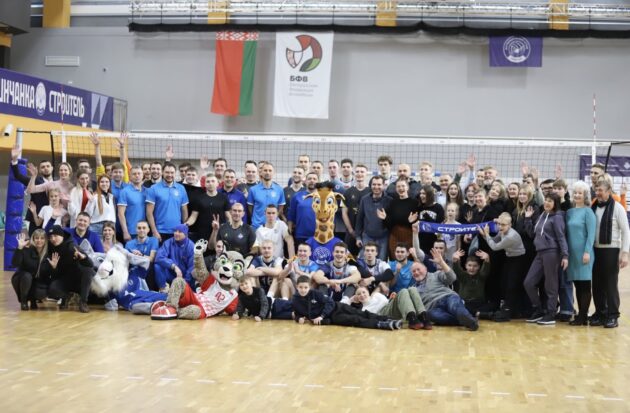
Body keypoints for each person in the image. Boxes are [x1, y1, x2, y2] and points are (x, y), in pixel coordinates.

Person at [291, 275, 402, 330]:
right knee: (354, 319)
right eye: (300, 287)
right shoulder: (295, 299)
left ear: (309, 287)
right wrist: (298, 318)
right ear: (297, 287)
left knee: (360, 313)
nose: (303, 290)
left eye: (305, 287)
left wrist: (321, 316)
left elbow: (330, 302)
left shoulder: (316, 293)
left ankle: (386, 319)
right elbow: (297, 312)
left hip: (336, 307)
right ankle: (381, 325)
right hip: (333, 317)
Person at [523, 193, 569, 326]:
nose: (547, 203)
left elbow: (561, 237)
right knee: (528, 282)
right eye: (546, 200)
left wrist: (565, 255)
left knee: (550, 284)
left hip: (552, 252)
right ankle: (538, 309)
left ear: (555, 203)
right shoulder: (542, 215)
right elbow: (532, 234)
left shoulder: (558, 217)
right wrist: (527, 219)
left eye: (550, 201)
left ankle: (551, 313)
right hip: (539, 252)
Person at [589, 180, 630, 328]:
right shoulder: (593, 207)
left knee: (610, 284)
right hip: (595, 249)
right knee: (597, 284)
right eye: (596, 190)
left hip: (611, 250)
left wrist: (625, 253)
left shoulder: (618, 208)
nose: (598, 193)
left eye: (601, 190)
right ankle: (600, 313)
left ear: (609, 191)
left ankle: (613, 315)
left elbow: (626, 231)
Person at [411, 248, 479, 331]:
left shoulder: (436, 275)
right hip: (434, 308)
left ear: (425, 269)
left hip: (448, 298)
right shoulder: (413, 289)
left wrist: (441, 262)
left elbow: (452, 278)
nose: (416, 272)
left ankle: (470, 322)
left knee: (454, 307)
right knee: (431, 315)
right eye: (413, 271)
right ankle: (469, 320)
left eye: (418, 269)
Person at [478, 213, 527, 319]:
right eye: (499, 224)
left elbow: (495, 247)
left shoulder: (511, 236)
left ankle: (510, 309)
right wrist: (485, 235)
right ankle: (507, 307)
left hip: (519, 260)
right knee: (504, 283)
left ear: (510, 225)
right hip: (510, 258)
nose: (500, 227)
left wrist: (487, 235)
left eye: (503, 225)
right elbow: (494, 240)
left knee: (512, 285)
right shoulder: (502, 231)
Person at [566, 181, 596, 326]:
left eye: (580, 193)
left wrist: (587, 252)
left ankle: (582, 316)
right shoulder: (570, 212)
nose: (577, 195)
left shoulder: (588, 212)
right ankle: (581, 315)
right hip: (572, 255)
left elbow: (591, 235)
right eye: (575, 193)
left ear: (585, 196)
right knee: (577, 284)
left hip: (584, 254)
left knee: (585, 285)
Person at [47, 225, 95, 313]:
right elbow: (54, 276)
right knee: (52, 289)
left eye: (55, 236)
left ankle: (83, 302)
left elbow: (90, 265)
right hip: (65, 280)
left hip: (79, 280)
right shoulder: (50, 249)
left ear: (62, 235)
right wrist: (54, 268)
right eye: (50, 237)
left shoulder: (72, 246)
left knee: (88, 271)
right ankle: (66, 297)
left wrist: (83, 258)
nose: (53, 239)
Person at [344, 285, 431, 330]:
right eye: (359, 294)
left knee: (412, 289)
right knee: (403, 291)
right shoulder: (364, 310)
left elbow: (387, 302)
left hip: (388, 307)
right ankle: (412, 318)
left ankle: (423, 316)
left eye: (363, 292)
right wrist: (350, 300)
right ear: (357, 297)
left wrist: (391, 299)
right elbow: (344, 306)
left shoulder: (377, 295)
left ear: (368, 292)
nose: (362, 295)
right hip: (383, 314)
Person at [10, 146, 53, 234]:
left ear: (52, 168)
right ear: (39, 170)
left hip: (51, 218)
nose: (46, 168)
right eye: (43, 167)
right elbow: (18, 176)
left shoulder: (57, 183)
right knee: (34, 241)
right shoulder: (35, 180)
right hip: (36, 219)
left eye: (48, 166)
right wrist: (14, 160)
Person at [146, 162, 189, 242]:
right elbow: (149, 213)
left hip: (177, 231)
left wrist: (184, 229)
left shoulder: (181, 188)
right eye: (167, 172)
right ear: (162, 172)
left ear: (175, 173)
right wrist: (154, 231)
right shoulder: (153, 188)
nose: (169, 175)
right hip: (160, 232)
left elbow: (184, 211)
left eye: (172, 172)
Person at [11, 231, 52, 311]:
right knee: (27, 277)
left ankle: (33, 299)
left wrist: (53, 267)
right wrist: (19, 248)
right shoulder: (26, 249)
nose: (39, 240)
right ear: (33, 239)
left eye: (42, 238)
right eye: (37, 238)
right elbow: (15, 263)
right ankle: (24, 301)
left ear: (45, 240)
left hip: (36, 280)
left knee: (41, 292)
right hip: (21, 278)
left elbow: (47, 273)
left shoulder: (48, 253)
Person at [355, 175, 392, 260]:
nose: (376, 187)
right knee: (365, 261)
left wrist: (385, 218)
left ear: (384, 185)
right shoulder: (364, 199)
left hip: (383, 237)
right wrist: (358, 237)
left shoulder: (389, 200)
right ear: (370, 185)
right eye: (374, 184)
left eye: (379, 184)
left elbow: (392, 221)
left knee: (381, 261)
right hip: (367, 236)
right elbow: (359, 219)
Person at [186, 173, 230, 242]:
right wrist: (186, 224)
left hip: (219, 232)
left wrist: (233, 228)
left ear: (217, 184)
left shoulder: (224, 198)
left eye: (213, 181)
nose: (210, 183)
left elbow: (228, 216)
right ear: (205, 184)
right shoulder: (199, 198)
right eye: (208, 181)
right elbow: (193, 216)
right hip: (202, 233)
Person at [380, 179, 416, 259]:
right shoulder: (393, 203)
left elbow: (417, 222)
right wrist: (385, 218)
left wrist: (411, 222)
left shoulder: (414, 203)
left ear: (407, 187)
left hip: (409, 235)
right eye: (398, 186)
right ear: (396, 189)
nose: (401, 188)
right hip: (394, 235)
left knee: (408, 258)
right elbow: (389, 225)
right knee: (394, 259)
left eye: (403, 186)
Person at [154, 224, 195, 292]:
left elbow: (191, 267)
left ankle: (186, 290)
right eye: (175, 231)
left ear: (185, 234)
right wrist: (174, 266)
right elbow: (159, 257)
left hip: (183, 277)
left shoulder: (191, 246)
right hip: (171, 273)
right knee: (157, 266)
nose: (176, 233)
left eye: (180, 232)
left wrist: (184, 283)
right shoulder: (168, 242)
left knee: (193, 272)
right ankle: (163, 289)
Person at [342, 163, 370, 256]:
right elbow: (344, 213)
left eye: (362, 172)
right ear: (354, 173)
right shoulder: (347, 192)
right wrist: (350, 230)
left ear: (366, 174)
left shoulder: (371, 191)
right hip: (351, 232)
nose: (359, 174)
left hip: (367, 233)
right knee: (349, 258)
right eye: (357, 171)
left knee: (365, 258)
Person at [247, 162, 285, 230]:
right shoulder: (253, 190)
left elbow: (280, 208)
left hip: (273, 227)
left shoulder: (279, 189)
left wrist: (273, 218)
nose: (267, 172)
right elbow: (250, 208)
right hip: (257, 226)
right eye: (265, 170)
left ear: (273, 173)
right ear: (261, 172)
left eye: (270, 170)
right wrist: (258, 219)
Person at [125, 221, 159, 290]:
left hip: (148, 270)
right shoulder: (129, 244)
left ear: (148, 230)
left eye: (144, 228)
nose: (141, 230)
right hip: (134, 269)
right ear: (136, 230)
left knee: (153, 267)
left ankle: (151, 291)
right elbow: (126, 262)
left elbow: (152, 259)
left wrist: (141, 255)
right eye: (139, 228)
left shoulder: (154, 240)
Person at [117, 166, 147, 243]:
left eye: (139, 173)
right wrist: (125, 232)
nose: (137, 176)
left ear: (142, 175)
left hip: (146, 231)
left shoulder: (147, 191)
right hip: (131, 232)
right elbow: (120, 214)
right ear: (130, 176)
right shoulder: (125, 192)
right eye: (134, 174)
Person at [288, 172, 318, 244]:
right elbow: (291, 215)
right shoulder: (297, 196)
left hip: (318, 235)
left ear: (318, 182)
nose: (312, 180)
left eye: (314, 179)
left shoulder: (322, 197)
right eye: (309, 179)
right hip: (301, 235)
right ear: (305, 181)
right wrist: (289, 229)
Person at [415, 184, 445, 256]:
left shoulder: (438, 207)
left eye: (424, 193)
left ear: (430, 195)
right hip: (421, 240)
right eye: (421, 193)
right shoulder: (419, 207)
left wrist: (429, 219)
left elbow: (439, 226)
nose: (421, 195)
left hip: (433, 241)